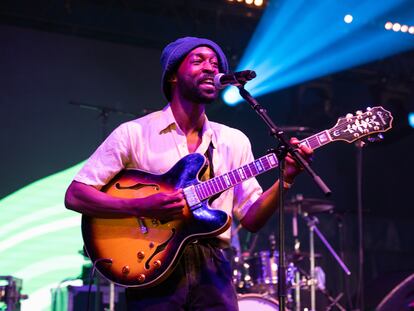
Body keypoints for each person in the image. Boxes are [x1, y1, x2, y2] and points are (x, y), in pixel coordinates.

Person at [65, 36, 313, 311]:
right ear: (172, 75)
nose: (210, 68)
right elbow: (76, 195)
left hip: (214, 268)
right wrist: (139, 206)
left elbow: (252, 219)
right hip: (152, 266)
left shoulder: (233, 140)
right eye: (198, 61)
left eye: (215, 63)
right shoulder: (134, 133)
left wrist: (287, 178)